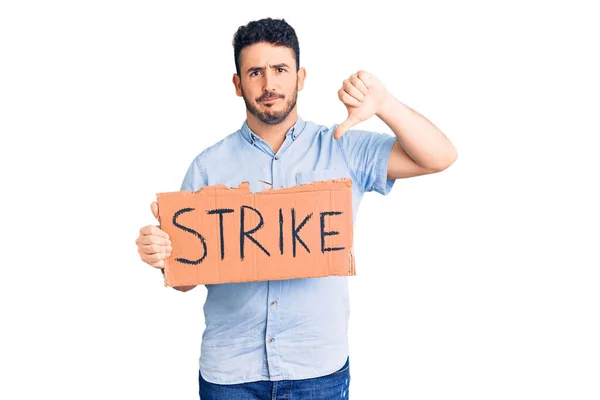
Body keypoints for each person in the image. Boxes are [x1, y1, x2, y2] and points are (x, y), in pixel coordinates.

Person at [135, 17, 457, 399]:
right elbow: (187, 278)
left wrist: (385, 104)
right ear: (238, 85)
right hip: (231, 374)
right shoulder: (208, 166)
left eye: (280, 70)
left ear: (300, 77)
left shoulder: (343, 148)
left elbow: (440, 157)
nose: (269, 84)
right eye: (255, 72)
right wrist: (163, 254)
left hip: (317, 371)